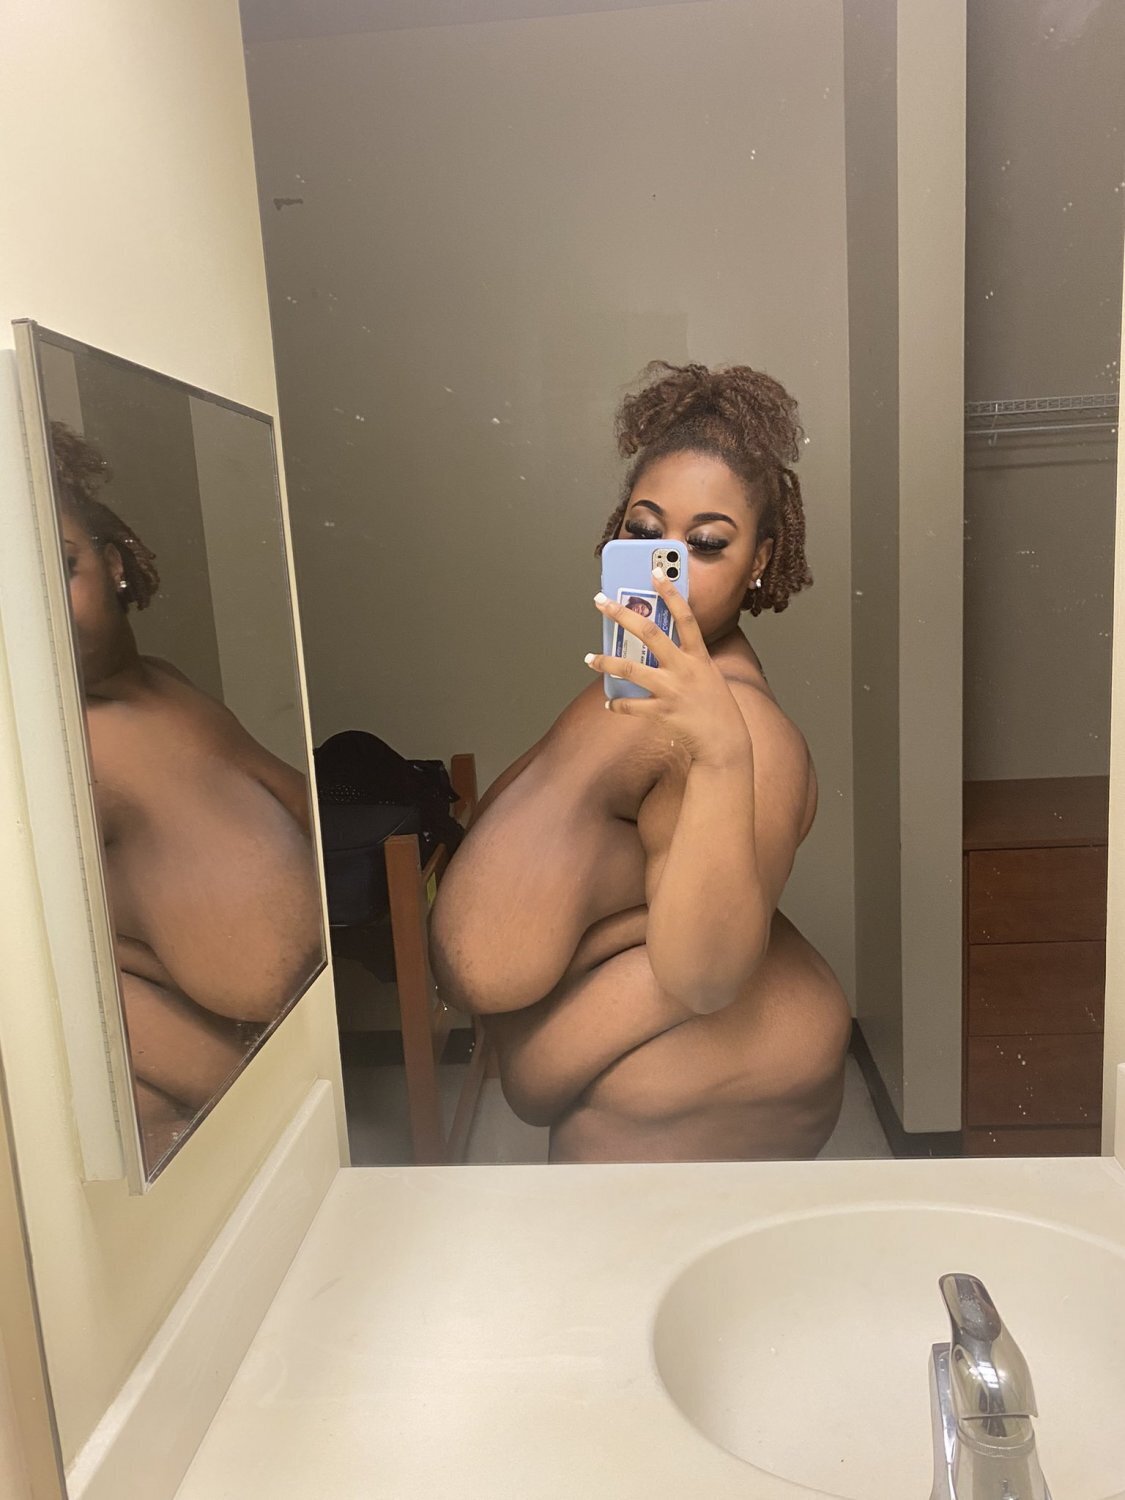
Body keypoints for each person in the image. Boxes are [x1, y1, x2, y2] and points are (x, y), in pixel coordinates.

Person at [431, 361, 851, 1162]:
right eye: (642, 530)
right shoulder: (635, 681)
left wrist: (536, 1069)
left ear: (759, 560)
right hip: (645, 1085)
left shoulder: (741, 727)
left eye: (705, 544)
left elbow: (702, 978)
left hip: (711, 1088)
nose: (665, 565)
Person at [51, 421, 322, 1165]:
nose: (38, 605)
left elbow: (289, 796)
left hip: (270, 1083)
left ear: (113, 565)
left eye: (60, 566)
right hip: (176, 1123)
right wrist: (262, 1096)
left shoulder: (165, 685)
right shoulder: (67, 751)